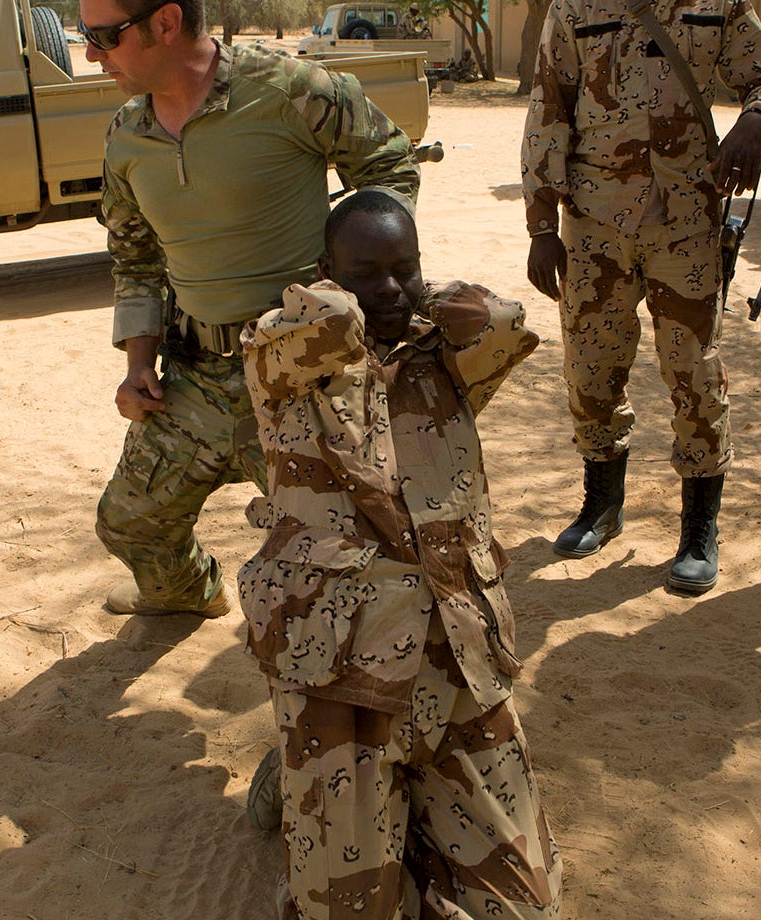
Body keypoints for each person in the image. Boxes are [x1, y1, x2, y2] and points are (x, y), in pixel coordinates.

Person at [75, 0, 421, 619]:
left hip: (300, 376)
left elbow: (386, 164)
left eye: (106, 35)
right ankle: (188, 596)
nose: (91, 54)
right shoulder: (126, 135)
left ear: (166, 23)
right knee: (129, 524)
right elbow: (134, 255)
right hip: (195, 378)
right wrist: (138, 362)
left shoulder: (290, 89)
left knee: (349, 550)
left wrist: (355, 288)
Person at [240, 190, 560, 919]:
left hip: (456, 664)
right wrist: (350, 302)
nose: (386, 288)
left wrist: (417, 296)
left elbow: (504, 318)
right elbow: (324, 323)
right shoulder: (282, 360)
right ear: (325, 270)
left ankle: (409, 819)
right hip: (341, 679)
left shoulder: (443, 362)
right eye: (364, 271)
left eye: (402, 268)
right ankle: (297, 776)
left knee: (526, 913)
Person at [521, 0, 761, 594]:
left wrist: (757, 121)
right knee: (591, 371)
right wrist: (541, 226)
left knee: (695, 375)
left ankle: (697, 529)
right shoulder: (577, 4)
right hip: (596, 228)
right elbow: (548, 110)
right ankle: (601, 504)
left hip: (684, 226)